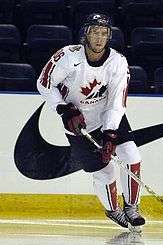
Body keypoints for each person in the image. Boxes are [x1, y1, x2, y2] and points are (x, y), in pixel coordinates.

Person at [37, 13, 145, 229]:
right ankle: (113, 210)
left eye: (104, 33)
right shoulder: (68, 57)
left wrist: (110, 132)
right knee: (105, 172)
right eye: (95, 32)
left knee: (131, 155)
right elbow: (44, 83)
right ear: (86, 34)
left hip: (107, 116)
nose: (99, 38)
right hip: (78, 125)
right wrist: (63, 109)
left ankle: (132, 206)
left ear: (109, 37)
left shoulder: (118, 62)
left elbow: (117, 102)